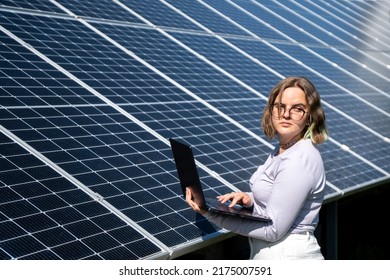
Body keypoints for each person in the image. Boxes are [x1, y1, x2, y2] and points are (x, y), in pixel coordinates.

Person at [186, 76, 329, 260]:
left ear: (310, 116)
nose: (286, 114)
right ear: (271, 110)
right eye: (280, 107)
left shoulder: (298, 159)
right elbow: (280, 196)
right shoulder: (283, 150)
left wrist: (210, 213)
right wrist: (250, 200)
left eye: (297, 109)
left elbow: (273, 230)